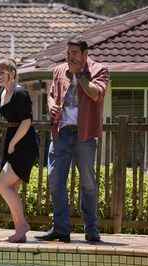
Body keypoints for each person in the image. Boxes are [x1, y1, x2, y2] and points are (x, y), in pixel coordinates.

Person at [36, 39, 109, 243]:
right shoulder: (59, 70)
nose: (70, 56)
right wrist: (51, 106)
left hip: (84, 134)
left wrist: (80, 74)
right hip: (61, 133)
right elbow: (51, 95)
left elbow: (96, 94)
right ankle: (61, 229)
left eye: (75, 53)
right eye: (68, 53)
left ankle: (92, 230)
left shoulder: (99, 70)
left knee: (88, 183)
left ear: (85, 54)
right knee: (56, 180)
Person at [0, 58, 39, 243]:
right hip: (12, 142)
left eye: (2, 72)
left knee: (2, 185)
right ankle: (20, 231)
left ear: (12, 73)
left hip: (23, 143)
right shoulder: (3, 93)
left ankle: (22, 225)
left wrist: (13, 143)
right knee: (12, 188)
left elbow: (26, 121)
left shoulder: (20, 92)